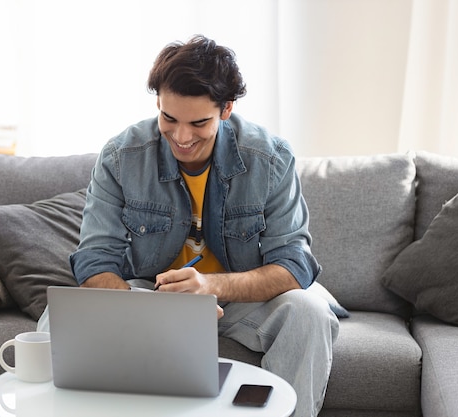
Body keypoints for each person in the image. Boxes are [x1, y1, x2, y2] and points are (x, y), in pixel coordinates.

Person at [68, 35, 339, 416]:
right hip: (151, 298)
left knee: (309, 312)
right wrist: (150, 315)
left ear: (226, 109)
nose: (181, 137)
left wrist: (209, 286)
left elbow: (293, 265)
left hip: (237, 301)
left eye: (198, 123)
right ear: (158, 103)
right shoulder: (121, 156)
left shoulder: (271, 158)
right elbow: (96, 259)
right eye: (168, 118)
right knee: (60, 318)